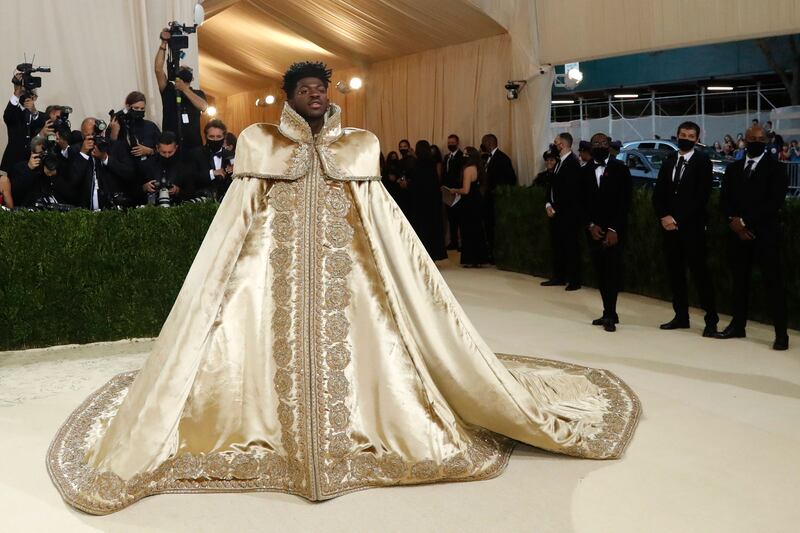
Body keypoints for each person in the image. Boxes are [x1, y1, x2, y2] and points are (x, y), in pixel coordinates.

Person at [47, 61, 639, 514]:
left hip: (349, 280)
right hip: (267, 275)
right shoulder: (261, 143)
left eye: (320, 89)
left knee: (379, 347)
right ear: (288, 95)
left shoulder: (356, 146)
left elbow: (380, 218)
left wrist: (399, 277)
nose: (315, 95)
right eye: (305, 89)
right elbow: (238, 213)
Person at [717, 126, 789, 351]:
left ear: (766, 141)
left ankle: (781, 334)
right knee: (739, 282)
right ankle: (738, 325)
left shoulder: (776, 168)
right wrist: (734, 222)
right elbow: (725, 199)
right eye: (752, 139)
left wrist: (745, 222)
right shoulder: (734, 168)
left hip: (765, 234)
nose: (756, 142)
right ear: (745, 141)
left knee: (773, 284)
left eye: (761, 139)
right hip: (738, 235)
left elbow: (774, 202)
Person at [653, 121, 718, 337]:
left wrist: (677, 218)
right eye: (683, 134)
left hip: (692, 229)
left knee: (701, 275)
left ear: (697, 139)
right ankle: (681, 316)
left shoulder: (703, 162)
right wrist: (664, 216)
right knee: (675, 274)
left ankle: (711, 321)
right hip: (669, 229)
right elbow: (659, 193)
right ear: (677, 135)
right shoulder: (669, 160)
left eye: (691, 136)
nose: (686, 138)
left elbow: (701, 197)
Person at [580, 133, 632, 332]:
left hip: (614, 231)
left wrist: (613, 228)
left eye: (603, 143)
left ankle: (610, 314)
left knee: (612, 272)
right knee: (600, 272)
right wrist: (590, 225)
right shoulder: (584, 171)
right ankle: (608, 310)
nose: (600, 145)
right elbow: (579, 202)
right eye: (596, 143)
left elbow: (625, 202)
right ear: (591, 146)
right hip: (593, 230)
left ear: (609, 145)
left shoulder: (620, 169)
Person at [155, 27, 208, 153]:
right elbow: (158, 69)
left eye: (188, 70)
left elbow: (203, 106)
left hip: (193, 146)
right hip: (171, 146)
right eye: (182, 69)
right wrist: (164, 43)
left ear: (192, 77)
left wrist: (185, 89)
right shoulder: (168, 90)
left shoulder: (198, 93)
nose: (185, 71)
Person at [63, 118, 135, 209]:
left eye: (95, 134)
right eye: (88, 135)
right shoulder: (75, 150)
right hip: (86, 208)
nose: (93, 138)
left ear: (101, 132)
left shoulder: (115, 146)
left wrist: (105, 158)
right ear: (82, 136)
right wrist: (83, 154)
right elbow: (73, 180)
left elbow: (129, 173)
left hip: (113, 206)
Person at [542, 132, 582, 290]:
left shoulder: (572, 162)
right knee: (557, 245)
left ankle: (574, 281)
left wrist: (556, 207)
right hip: (555, 212)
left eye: (556, 142)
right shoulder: (559, 162)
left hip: (568, 213)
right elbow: (552, 186)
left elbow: (571, 191)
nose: (554, 145)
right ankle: (559, 276)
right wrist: (547, 204)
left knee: (571, 247)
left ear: (563, 144)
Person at [448, 146, 490, 267]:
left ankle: (470, 259)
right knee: (477, 229)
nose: (463, 156)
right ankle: (479, 259)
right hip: (477, 200)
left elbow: (466, 190)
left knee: (467, 229)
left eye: (465, 154)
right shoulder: (478, 168)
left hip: (468, 202)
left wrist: (454, 190)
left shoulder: (468, 170)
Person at [409, 140, 447, 261]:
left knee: (422, 229)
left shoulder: (417, 164)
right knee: (434, 227)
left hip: (420, 201)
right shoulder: (432, 162)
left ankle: (424, 256)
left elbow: (416, 184)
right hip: (433, 201)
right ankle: (435, 255)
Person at [481, 133, 516, 261]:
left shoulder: (502, 158)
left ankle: (496, 254)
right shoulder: (488, 158)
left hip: (497, 200)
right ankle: (490, 252)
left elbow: (511, 178)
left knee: (495, 227)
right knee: (489, 226)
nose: (482, 146)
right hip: (489, 199)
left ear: (489, 143)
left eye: (484, 143)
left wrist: (497, 191)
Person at [1, 72, 46, 175]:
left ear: (34, 97)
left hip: (35, 163)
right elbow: (7, 116)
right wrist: (17, 93)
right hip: (14, 163)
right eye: (24, 92)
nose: (25, 95)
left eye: (29, 94)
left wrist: (34, 112)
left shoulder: (40, 116)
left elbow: (44, 127)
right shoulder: (13, 113)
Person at [109, 91, 161, 177]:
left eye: (142, 109)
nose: (139, 111)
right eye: (136, 108)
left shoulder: (151, 126)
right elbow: (110, 153)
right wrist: (114, 132)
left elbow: (162, 149)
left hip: (149, 173)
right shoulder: (117, 125)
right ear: (128, 107)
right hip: (127, 174)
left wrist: (149, 151)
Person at [187, 119, 234, 200]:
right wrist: (212, 173)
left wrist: (236, 172)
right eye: (211, 136)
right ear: (206, 137)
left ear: (224, 137)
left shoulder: (231, 155)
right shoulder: (196, 154)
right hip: (201, 201)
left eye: (219, 137)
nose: (215, 140)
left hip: (226, 201)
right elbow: (190, 177)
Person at [140, 131, 188, 205]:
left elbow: (191, 190)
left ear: (176, 148)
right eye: (164, 152)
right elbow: (134, 188)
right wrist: (145, 187)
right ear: (157, 148)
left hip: (177, 206)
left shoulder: (183, 165)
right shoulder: (147, 164)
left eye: (170, 152)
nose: (167, 156)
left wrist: (178, 190)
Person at [443, 134, 464, 251]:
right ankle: (453, 241)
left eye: (452, 142)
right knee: (451, 218)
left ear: (457, 143)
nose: (450, 144)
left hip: (457, 192)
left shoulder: (461, 157)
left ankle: (461, 243)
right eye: (449, 142)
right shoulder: (447, 157)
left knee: (459, 218)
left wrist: (458, 189)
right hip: (447, 192)